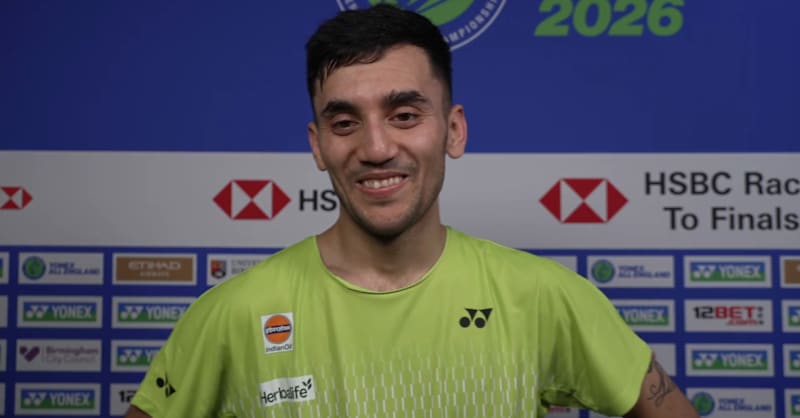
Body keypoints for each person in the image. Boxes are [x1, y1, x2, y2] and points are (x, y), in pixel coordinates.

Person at [126, 5, 699, 417]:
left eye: (404, 115)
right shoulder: (233, 314)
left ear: (453, 130)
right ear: (318, 146)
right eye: (344, 122)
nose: (376, 148)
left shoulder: (543, 297)